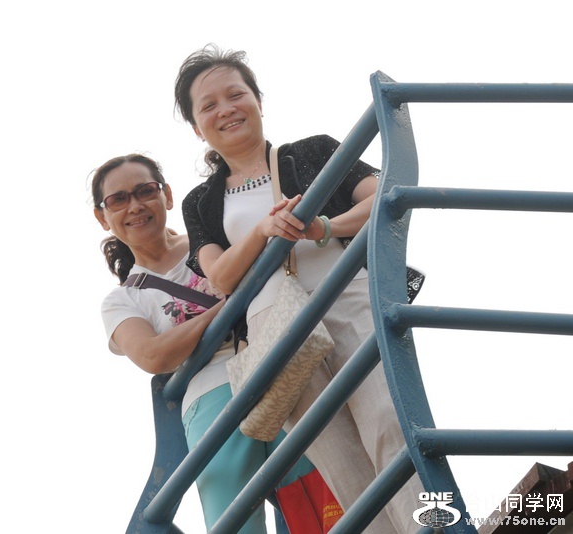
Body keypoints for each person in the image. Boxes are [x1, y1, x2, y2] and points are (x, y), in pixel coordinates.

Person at [173, 44, 424, 533]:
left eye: (236, 94)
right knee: (338, 462)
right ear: (197, 127)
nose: (226, 109)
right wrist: (263, 231)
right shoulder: (201, 201)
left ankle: (432, 526)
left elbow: (384, 194)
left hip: (345, 294)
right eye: (208, 105)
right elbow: (220, 275)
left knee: (391, 421)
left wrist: (324, 227)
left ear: (258, 101)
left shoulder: (312, 151)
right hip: (273, 328)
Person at [92, 153, 343, 533]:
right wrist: (228, 306)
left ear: (167, 195)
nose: (135, 206)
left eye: (145, 191)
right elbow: (153, 355)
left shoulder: (213, 240)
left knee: (321, 502)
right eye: (118, 199)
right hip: (210, 396)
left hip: (275, 369)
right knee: (233, 517)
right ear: (103, 216)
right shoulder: (123, 300)